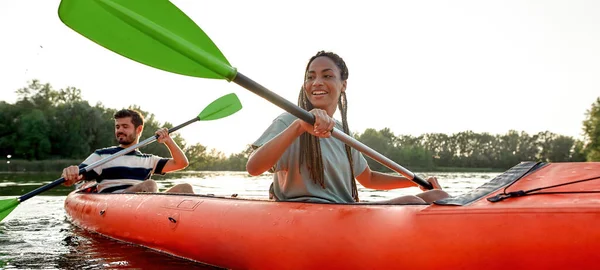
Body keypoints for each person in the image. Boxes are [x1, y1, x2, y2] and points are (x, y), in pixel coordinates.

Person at [247, 51, 449, 204]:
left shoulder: (342, 132)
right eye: (310, 77)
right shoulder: (289, 121)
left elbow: (368, 178)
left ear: (343, 84)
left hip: (345, 212)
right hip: (307, 214)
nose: (316, 82)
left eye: (327, 76)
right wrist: (299, 127)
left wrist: (415, 182)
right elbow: (253, 168)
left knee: (438, 195)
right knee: (413, 202)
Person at [62, 109, 192, 194]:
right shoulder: (102, 155)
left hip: (145, 202)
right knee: (149, 185)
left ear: (139, 129)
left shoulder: (148, 160)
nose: (119, 130)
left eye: (125, 126)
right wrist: (70, 174)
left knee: (185, 188)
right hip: (112, 205)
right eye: (117, 127)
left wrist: (168, 140)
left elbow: (181, 163)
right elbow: (74, 178)